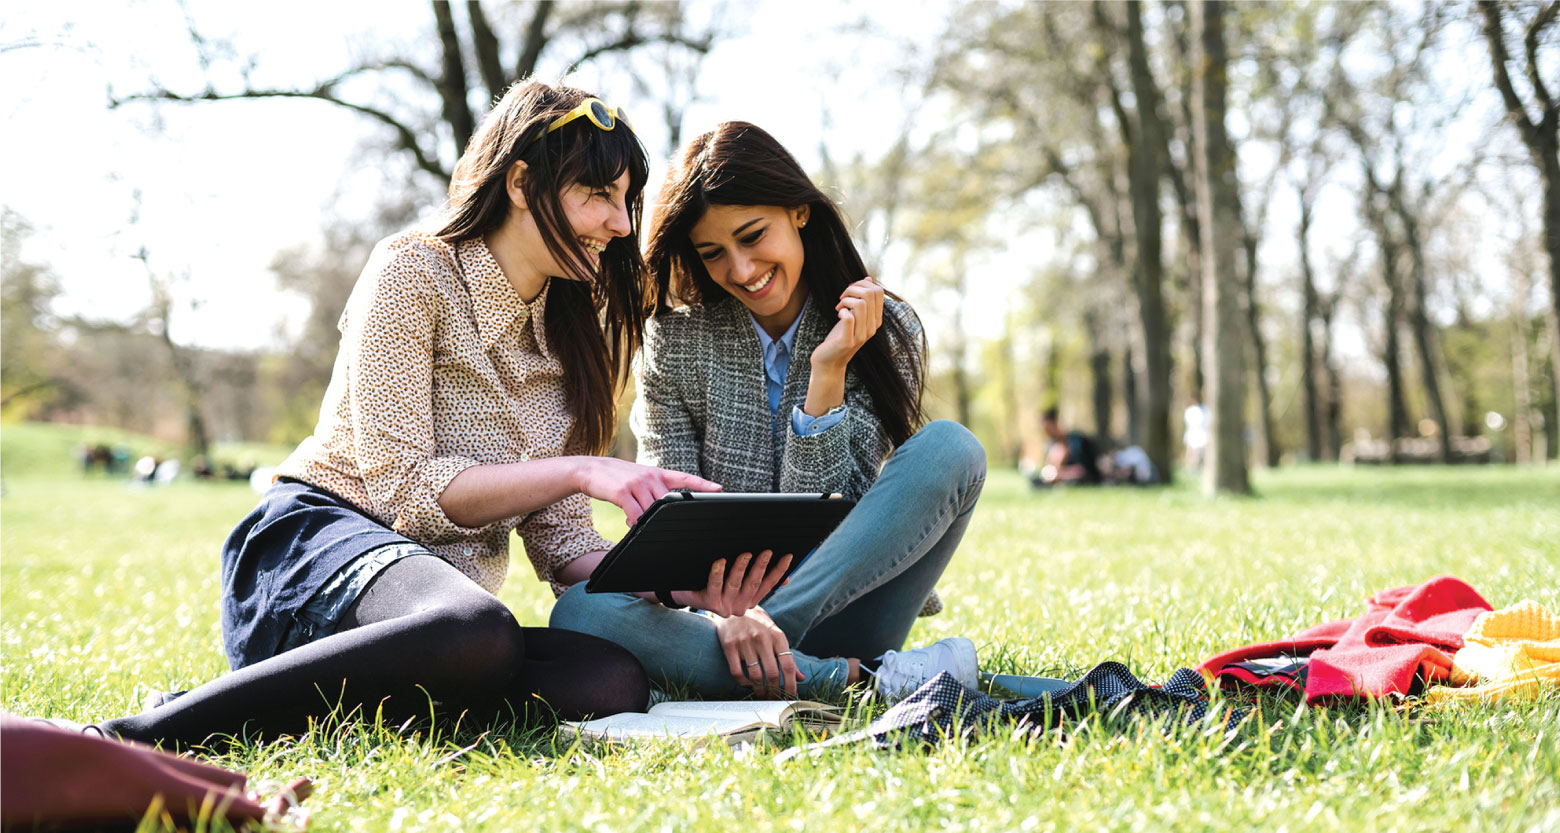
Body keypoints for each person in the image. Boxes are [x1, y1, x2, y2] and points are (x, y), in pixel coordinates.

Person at [44, 82, 789, 748]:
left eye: (627, 199)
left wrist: (679, 585)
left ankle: (352, 694)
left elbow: (562, 549)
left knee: (607, 680)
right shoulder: (414, 270)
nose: (621, 223)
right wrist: (578, 467)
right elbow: (402, 489)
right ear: (524, 183)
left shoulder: (574, 336)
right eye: (598, 193)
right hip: (314, 546)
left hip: (432, 613)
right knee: (478, 630)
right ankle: (133, 733)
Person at [549, 122, 988, 700]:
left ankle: (777, 644)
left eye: (753, 236)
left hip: (852, 603)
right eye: (714, 253)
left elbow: (836, 519)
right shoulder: (673, 344)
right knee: (580, 612)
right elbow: (669, 524)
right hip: (719, 622)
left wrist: (827, 374)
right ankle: (861, 681)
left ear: (799, 212)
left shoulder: (883, 330)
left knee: (952, 447)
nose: (740, 269)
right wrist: (725, 612)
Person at [1035, 407, 1103, 486]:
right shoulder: (1051, 445)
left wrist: (1059, 474)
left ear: (1056, 424)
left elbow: (1083, 470)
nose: (1047, 434)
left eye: (1048, 429)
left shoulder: (1077, 442)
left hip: (1084, 478)